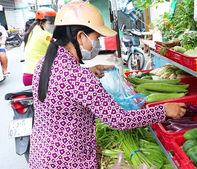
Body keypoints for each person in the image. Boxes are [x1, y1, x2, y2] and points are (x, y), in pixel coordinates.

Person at [29, 1, 186, 169]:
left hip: (41, 154)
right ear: (80, 36)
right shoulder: (79, 79)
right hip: (69, 161)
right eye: (96, 38)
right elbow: (120, 120)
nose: (97, 43)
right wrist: (163, 110)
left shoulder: (44, 62)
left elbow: (64, 86)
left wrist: (90, 69)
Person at [22, 7, 56, 86]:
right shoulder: (44, 35)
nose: (53, 26)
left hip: (28, 75)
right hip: (37, 75)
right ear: (41, 23)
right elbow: (60, 49)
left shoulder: (33, 31)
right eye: (50, 23)